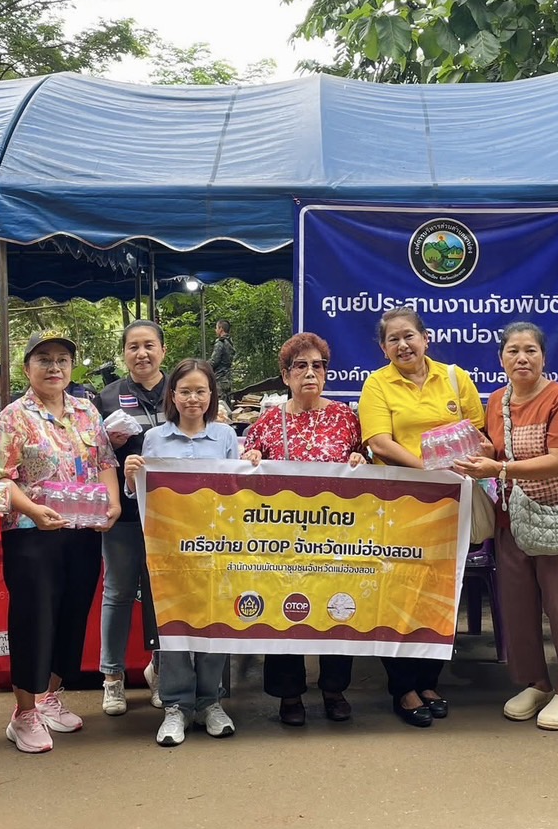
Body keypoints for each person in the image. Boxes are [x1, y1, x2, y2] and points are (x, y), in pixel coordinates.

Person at [357, 306, 489, 728]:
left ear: (425, 338)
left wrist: (469, 456)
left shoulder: (454, 377)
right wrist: (424, 468)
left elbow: (477, 430)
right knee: (398, 595)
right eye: (393, 339)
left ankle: (430, 680)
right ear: (383, 349)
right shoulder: (377, 384)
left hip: (450, 502)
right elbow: (379, 441)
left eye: (409, 336)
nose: (403, 345)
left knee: (439, 592)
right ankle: (404, 687)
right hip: (398, 503)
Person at [0, 332, 120, 754]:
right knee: (34, 616)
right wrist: (31, 510)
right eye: (43, 359)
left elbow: (104, 461)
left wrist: (112, 505)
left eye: (62, 359)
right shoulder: (13, 416)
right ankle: (23, 712)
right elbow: (0, 479)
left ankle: (50, 697)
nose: (54, 367)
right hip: (31, 534)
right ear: (27, 367)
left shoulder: (86, 411)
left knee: (73, 613)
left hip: (81, 532)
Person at [457, 323, 558, 730]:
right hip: (512, 514)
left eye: (530, 350)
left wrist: (498, 466)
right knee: (518, 604)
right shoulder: (496, 401)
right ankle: (535, 682)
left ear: (544, 358)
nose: (522, 358)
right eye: (513, 351)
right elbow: (495, 449)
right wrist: (481, 451)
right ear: (500, 360)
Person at [242, 332, 365, 726]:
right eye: (300, 366)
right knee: (284, 609)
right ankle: (289, 694)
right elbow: (245, 468)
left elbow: (367, 462)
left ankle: (334, 688)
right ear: (285, 376)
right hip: (282, 542)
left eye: (317, 366)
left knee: (337, 606)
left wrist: (361, 458)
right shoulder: (267, 422)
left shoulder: (347, 417)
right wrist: (254, 456)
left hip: (335, 538)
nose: (310, 373)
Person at [125, 358, 243, 746]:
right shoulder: (155, 438)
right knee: (173, 626)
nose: (193, 398)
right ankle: (176, 705)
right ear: (172, 395)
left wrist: (252, 466)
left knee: (215, 622)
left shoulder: (226, 437)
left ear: (212, 395)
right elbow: (141, 493)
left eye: (201, 391)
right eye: (185, 391)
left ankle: (210, 701)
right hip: (170, 552)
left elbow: (241, 492)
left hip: (217, 548)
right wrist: (131, 476)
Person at [95, 319, 168, 717]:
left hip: (173, 516)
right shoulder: (106, 397)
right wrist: (111, 443)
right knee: (119, 592)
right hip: (123, 514)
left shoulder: (180, 390)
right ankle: (113, 677)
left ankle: (159, 669)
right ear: (124, 354)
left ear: (162, 350)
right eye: (133, 347)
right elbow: (92, 454)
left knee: (161, 594)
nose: (142, 354)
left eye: (149, 346)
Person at [210, 318, 234, 404]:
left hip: (219, 379)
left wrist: (203, 366)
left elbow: (214, 361)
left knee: (219, 406)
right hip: (228, 378)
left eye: (216, 328)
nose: (215, 330)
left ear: (221, 329)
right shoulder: (230, 342)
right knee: (227, 404)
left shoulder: (220, 343)